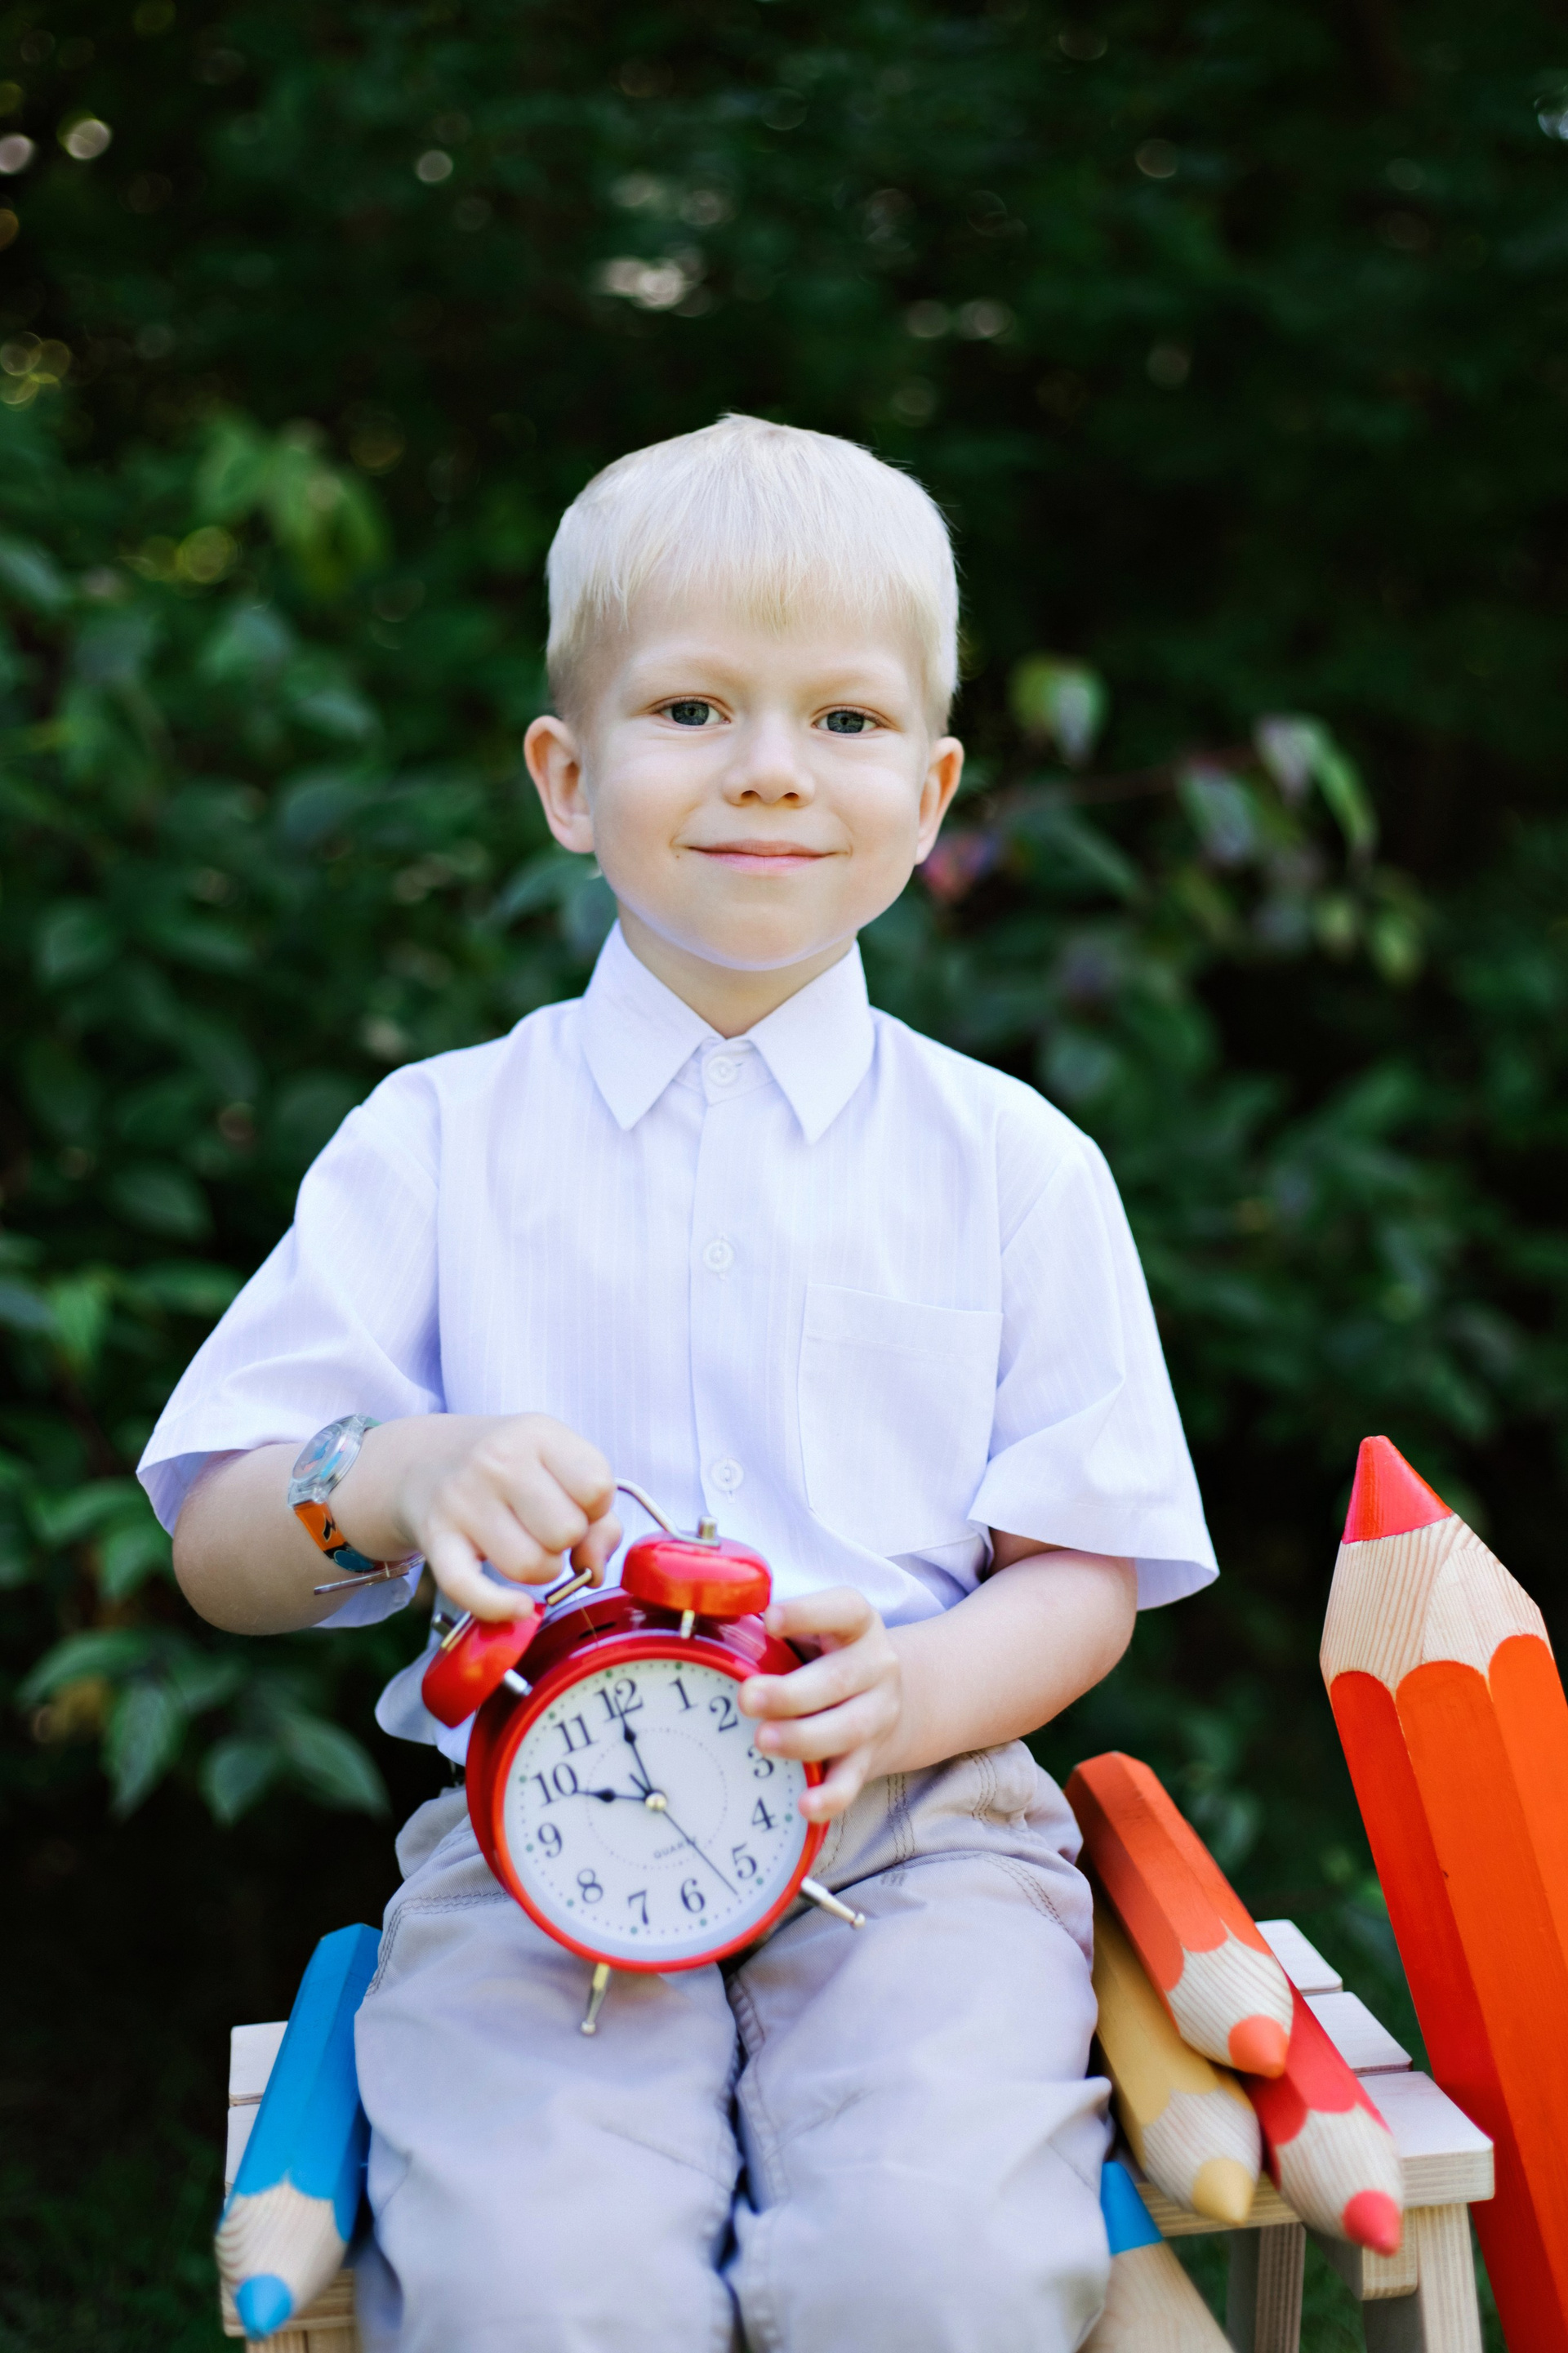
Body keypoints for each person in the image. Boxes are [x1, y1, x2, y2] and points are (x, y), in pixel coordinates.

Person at [143, 413, 1216, 2353]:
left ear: (933, 792)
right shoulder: (437, 1141)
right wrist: (397, 1471)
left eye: (846, 720)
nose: (771, 768)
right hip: (536, 1829)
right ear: (568, 778)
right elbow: (221, 1538)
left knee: (935, 2272)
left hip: (920, 1836)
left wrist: (917, 1692)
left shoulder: (1014, 1164)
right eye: (695, 707)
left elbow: (1085, 1569)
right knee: (540, 2290)